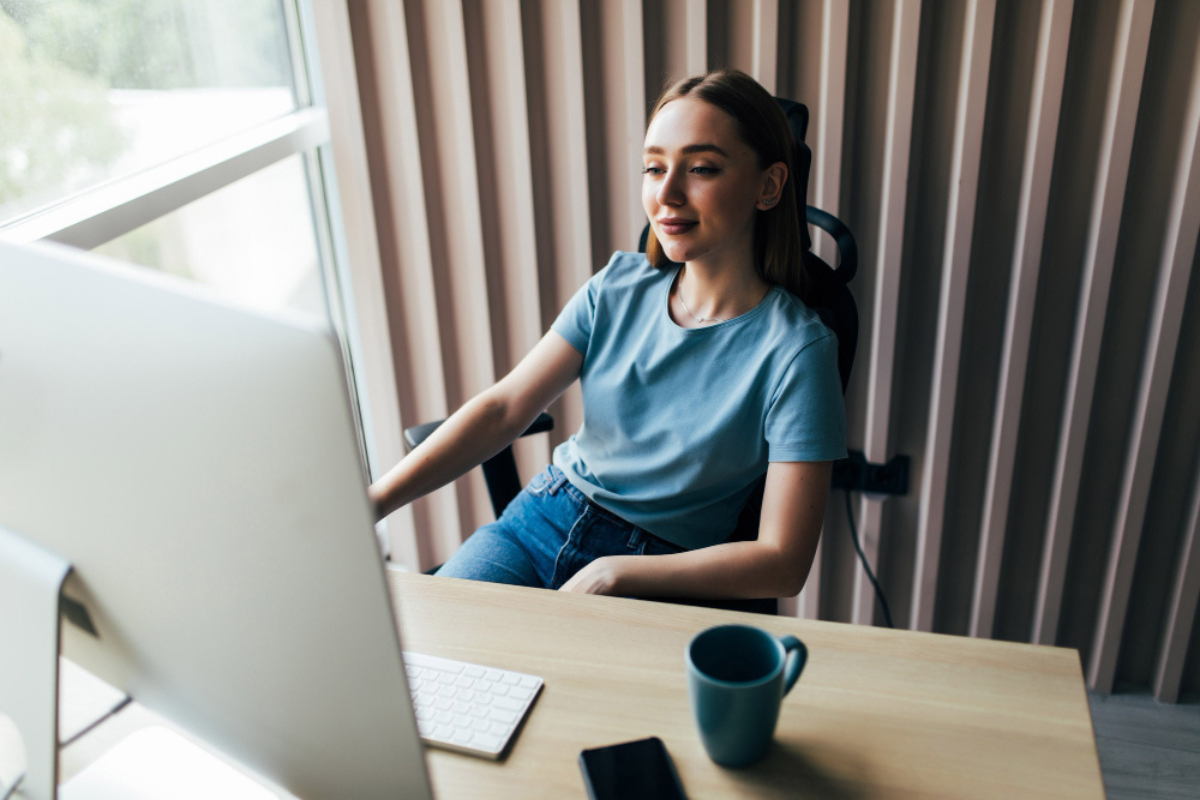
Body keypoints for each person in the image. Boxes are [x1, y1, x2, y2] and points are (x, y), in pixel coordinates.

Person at [368, 69, 846, 604]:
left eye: (702, 168)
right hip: (538, 523)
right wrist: (374, 501)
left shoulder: (798, 352)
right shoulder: (618, 286)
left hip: (659, 572)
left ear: (769, 186)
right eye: (654, 167)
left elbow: (782, 563)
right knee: (439, 661)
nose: (667, 194)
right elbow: (504, 409)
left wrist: (616, 573)